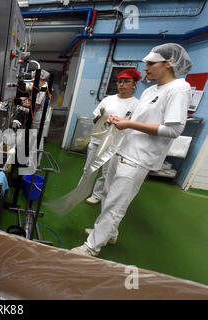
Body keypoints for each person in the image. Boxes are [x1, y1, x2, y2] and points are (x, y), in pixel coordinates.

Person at [72, 43, 193, 256]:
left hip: (139, 158)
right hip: (123, 150)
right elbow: (137, 119)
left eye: (151, 64)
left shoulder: (178, 89)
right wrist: (120, 120)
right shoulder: (150, 91)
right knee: (110, 196)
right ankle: (108, 233)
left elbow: (173, 129)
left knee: (116, 202)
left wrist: (129, 125)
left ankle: (91, 247)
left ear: (169, 64)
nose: (145, 68)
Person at [84, 69, 141, 205]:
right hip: (98, 139)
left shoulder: (136, 104)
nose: (122, 84)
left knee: (107, 172)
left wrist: (119, 121)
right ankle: (83, 190)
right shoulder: (108, 100)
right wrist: (101, 118)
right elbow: (95, 120)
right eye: (120, 81)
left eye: (126, 81)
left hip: (115, 143)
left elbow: (133, 125)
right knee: (89, 168)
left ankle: (97, 194)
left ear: (134, 84)